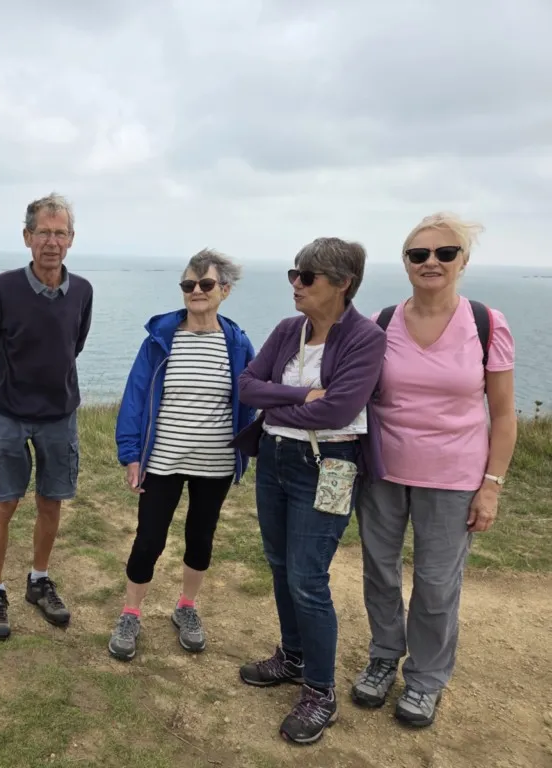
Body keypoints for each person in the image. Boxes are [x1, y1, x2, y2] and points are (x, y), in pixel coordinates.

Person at [350, 213, 517, 728]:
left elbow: (504, 415)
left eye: (445, 253)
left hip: (454, 477)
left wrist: (491, 486)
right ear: (405, 262)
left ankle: (425, 678)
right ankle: (384, 655)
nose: (431, 262)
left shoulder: (487, 323)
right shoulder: (380, 322)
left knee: (437, 583)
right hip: (383, 471)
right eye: (419, 254)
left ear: (463, 261)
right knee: (379, 570)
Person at [232, 237, 387, 745]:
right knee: (279, 563)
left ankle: (321, 691)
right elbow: (247, 386)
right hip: (275, 458)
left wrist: (277, 406)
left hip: (330, 466)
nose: (296, 284)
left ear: (342, 284)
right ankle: (293, 657)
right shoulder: (287, 330)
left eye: (307, 277)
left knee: (307, 576)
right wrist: (301, 396)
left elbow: (339, 410)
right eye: (294, 274)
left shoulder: (365, 338)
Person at [108, 249, 256, 662]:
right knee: (149, 539)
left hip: (215, 463)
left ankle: (186, 607)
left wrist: (248, 446)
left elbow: (250, 400)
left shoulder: (238, 344)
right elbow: (135, 398)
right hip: (162, 460)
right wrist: (131, 455)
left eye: (206, 284)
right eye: (189, 284)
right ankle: (130, 613)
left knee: (200, 537)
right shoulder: (160, 341)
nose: (196, 291)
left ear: (224, 290)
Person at [0, 192, 94, 641]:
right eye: (43, 232)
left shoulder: (82, 291)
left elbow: (73, 344)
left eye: (60, 233)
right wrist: (2, 387)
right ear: (27, 237)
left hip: (59, 414)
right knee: (5, 500)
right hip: (8, 412)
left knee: (50, 500)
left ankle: (38, 580)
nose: (51, 242)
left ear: (71, 239)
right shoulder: (1, 289)